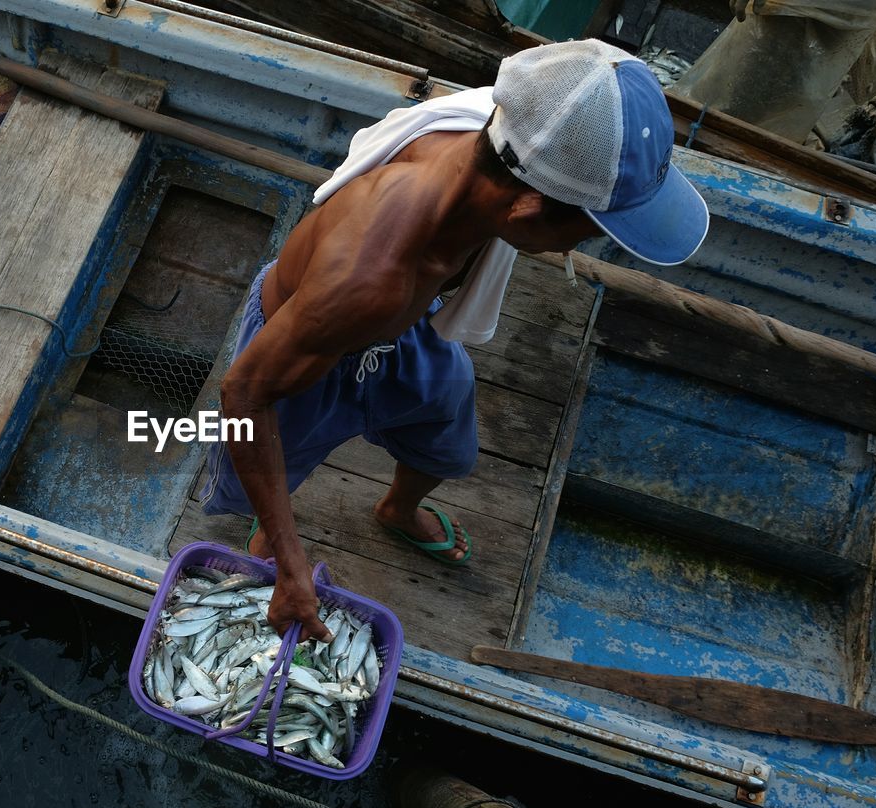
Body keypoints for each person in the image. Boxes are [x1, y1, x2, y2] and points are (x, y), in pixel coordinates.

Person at [200, 39, 710, 642]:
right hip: (310, 352)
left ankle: (396, 507)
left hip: (402, 327)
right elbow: (244, 396)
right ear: (525, 212)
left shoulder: (501, 129)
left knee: (447, 432)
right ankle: (272, 544)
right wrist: (292, 570)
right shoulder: (370, 276)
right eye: (590, 232)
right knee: (275, 462)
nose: (579, 250)